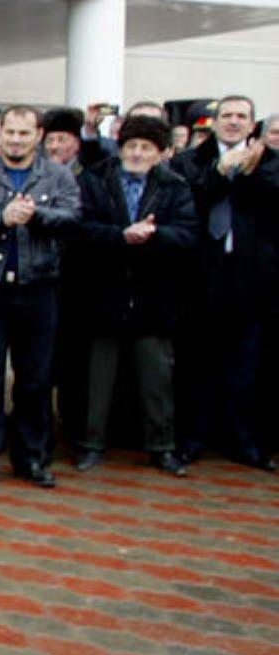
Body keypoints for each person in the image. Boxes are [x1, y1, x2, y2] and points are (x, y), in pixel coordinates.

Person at [0, 105, 81, 488]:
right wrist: (1, 218)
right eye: (10, 132)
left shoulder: (57, 176)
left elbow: (73, 217)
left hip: (38, 288)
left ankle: (33, 458)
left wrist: (35, 214)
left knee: (35, 379)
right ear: (0, 134)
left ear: (37, 136)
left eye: (24, 133)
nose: (16, 140)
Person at [70, 114, 198, 475]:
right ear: (121, 146)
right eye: (131, 146)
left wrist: (154, 236)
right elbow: (80, 230)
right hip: (105, 292)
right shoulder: (95, 179)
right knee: (98, 378)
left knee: (157, 377)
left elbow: (189, 235)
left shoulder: (175, 186)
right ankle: (91, 444)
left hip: (153, 295)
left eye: (146, 147)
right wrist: (120, 236)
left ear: (160, 153)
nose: (138, 154)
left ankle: (162, 447)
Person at [171, 95, 275, 469]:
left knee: (247, 366)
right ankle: (193, 439)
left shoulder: (270, 162)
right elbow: (190, 201)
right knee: (198, 364)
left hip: (250, 280)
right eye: (226, 116)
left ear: (252, 124)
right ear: (214, 123)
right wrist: (219, 171)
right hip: (201, 279)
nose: (233, 122)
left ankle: (244, 441)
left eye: (241, 116)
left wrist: (248, 171)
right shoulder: (188, 161)